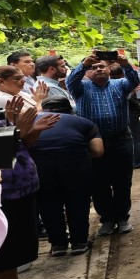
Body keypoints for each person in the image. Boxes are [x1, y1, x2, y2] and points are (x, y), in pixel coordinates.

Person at [0, 95, 58, 279]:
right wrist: (15, 130)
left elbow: (20, 146)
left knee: (7, 250)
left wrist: (26, 131)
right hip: (3, 191)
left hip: (15, 190)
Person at [67, 53, 140, 236]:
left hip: (121, 140)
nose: (99, 69)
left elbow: (133, 80)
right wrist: (84, 64)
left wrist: (126, 64)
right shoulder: (80, 88)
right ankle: (107, 219)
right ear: (87, 73)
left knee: (123, 181)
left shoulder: (120, 84)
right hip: (93, 143)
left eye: (102, 66)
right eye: (94, 68)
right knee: (98, 183)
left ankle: (122, 218)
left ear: (109, 69)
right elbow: (71, 81)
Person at [32, 97, 103, 257]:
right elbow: (98, 151)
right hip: (75, 166)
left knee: (48, 205)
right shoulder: (83, 122)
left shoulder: (31, 123)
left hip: (41, 168)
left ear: (43, 109)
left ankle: (58, 245)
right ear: (70, 110)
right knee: (77, 202)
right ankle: (79, 242)